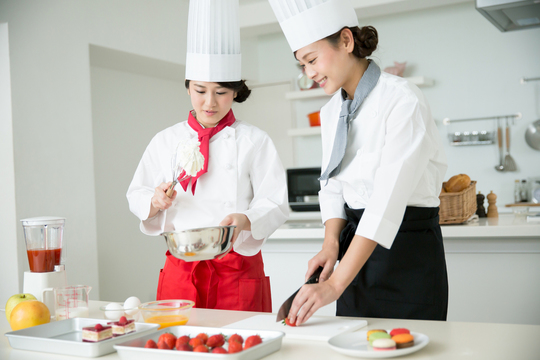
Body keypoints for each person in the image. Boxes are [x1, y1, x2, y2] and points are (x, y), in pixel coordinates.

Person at [268, 0, 448, 324]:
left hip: (407, 254)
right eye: (302, 66)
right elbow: (332, 185)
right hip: (354, 258)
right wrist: (330, 245)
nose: (309, 74)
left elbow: (387, 201)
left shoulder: (402, 100)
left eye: (311, 60)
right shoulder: (329, 113)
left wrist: (336, 284)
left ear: (347, 41)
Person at [127, 0, 288, 312]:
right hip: (181, 269)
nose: (210, 102)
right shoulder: (166, 140)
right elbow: (137, 193)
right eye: (200, 90)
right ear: (188, 88)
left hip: (237, 267)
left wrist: (246, 219)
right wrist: (155, 201)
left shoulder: (255, 140)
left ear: (236, 92)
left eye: (221, 92)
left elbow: (276, 201)